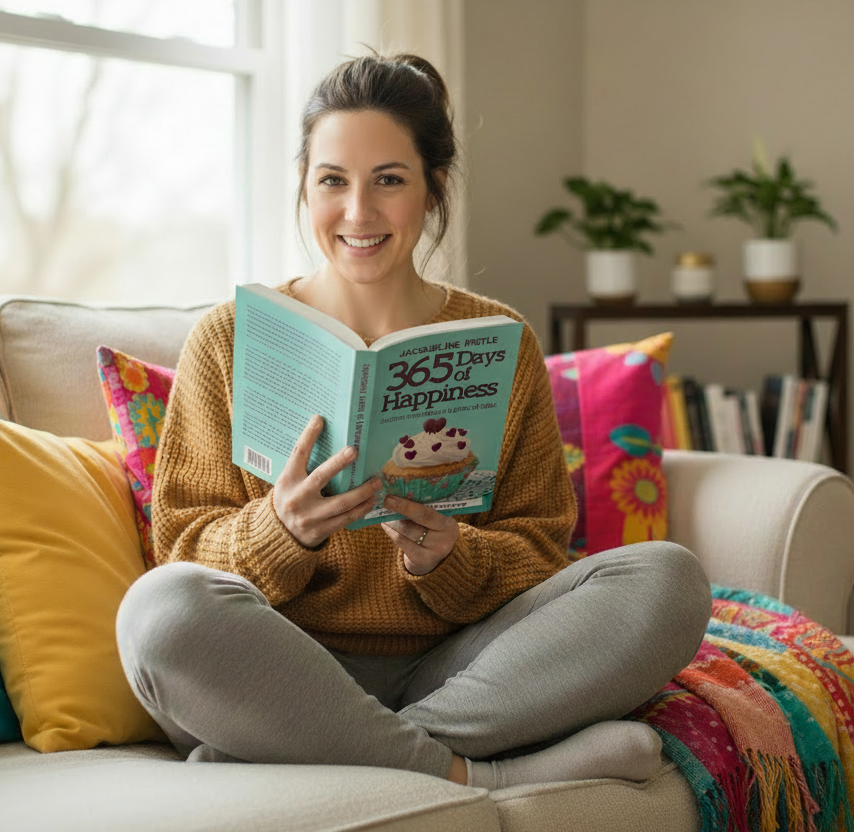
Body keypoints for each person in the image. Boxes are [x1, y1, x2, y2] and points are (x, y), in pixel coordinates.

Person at [116, 52, 711, 791]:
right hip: (270, 666)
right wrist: (283, 531)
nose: (358, 213)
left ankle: (311, 752)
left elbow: (539, 549)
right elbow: (182, 549)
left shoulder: (501, 339)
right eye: (333, 180)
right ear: (305, 186)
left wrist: (448, 557)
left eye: (388, 181)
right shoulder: (229, 339)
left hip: (455, 669)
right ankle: (470, 775)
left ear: (432, 192)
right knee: (158, 613)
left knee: (669, 579)